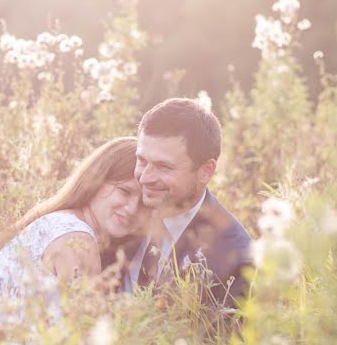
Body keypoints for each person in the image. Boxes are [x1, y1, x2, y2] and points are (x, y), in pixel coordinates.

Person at [101, 98, 253, 309]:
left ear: (205, 171)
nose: (144, 178)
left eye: (163, 167)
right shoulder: (124, 207)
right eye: (142, 160)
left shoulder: (236, 260)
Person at [0, 137, 145, 310]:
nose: (132, 209)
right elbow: (85, 328)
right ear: (97, 180)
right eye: (125, 191)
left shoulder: (60, 221)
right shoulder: (77, 240)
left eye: (144, 203)